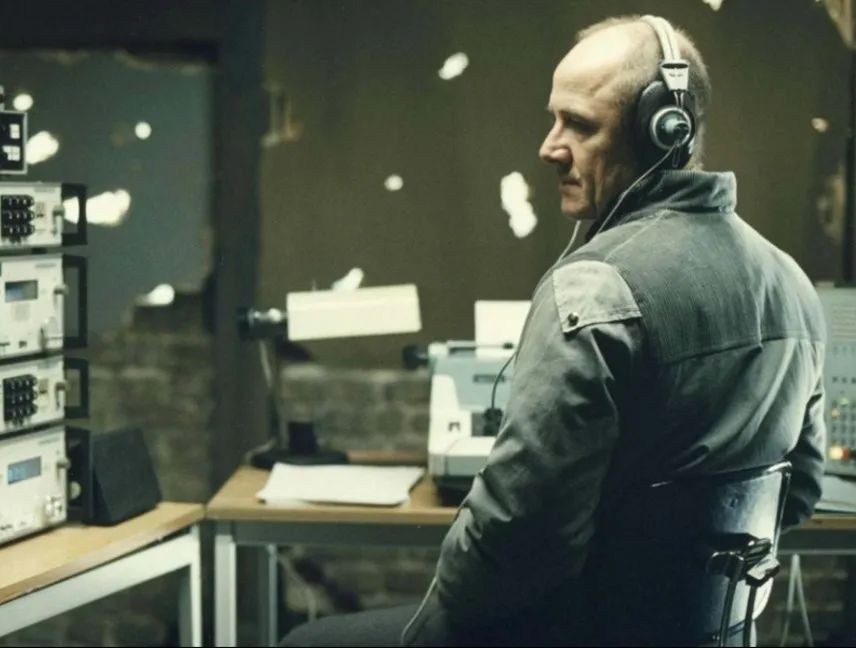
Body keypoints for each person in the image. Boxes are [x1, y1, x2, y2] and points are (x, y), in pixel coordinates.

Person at [281, 14, 826, 647]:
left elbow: (516, 540)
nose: (549, 147)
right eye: (554, 120)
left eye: (580, 125)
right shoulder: (791, 283)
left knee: (308, 643)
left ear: (661, 132)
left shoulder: (594, 288)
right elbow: (800, 490)